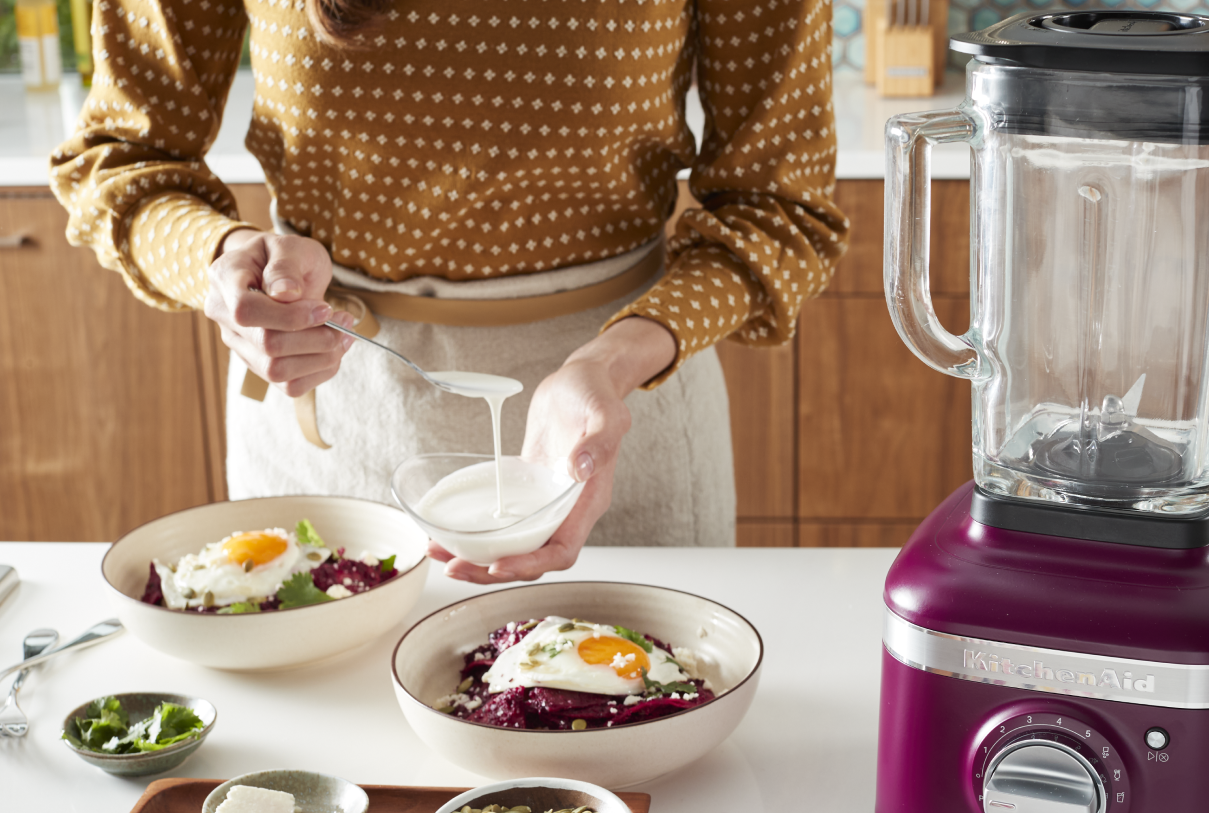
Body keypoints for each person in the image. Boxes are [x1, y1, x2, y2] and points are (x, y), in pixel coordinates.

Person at [52, 0, 846, 583]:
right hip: (332, 413)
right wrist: (221, 262)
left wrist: (614, 360)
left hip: (613, 410)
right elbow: (124, 157)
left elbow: (779, 205)